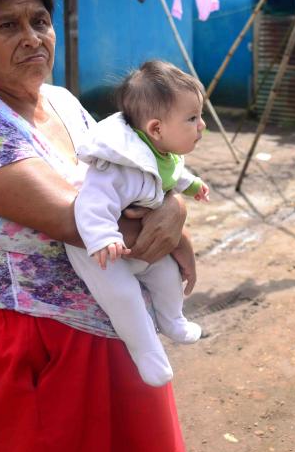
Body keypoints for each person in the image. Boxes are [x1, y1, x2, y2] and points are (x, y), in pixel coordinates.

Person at [0, 0, 199, 452]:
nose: (32, 37)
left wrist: (172, 203)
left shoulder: (64, 104)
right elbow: (67, 217)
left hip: (115, 323)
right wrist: (166, 222)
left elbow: (137, 172)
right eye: (8, 26)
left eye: (40, 21)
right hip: (38, 341)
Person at [65, 60, 210, 387]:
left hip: (141, 244)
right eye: (192, 118)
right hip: (102, 254)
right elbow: (91, 201)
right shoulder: (117, 166)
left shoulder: (161, 151)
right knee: (123, 297)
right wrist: (103, 238)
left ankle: (173, 319)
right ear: (156, 128)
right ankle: (147, 351)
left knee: (169, 275)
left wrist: (192, 185)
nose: (202, 126)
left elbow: (172, 173)